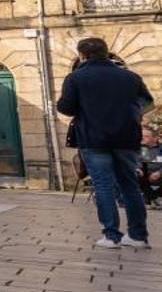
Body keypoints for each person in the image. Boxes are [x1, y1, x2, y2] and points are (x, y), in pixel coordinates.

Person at [57, 37, 153, 249]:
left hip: (94, 138)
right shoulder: (130, 77)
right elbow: (148, 103)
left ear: (82, 55)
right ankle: (138, 235)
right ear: (106, 52)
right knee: (130, 186)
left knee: (103, 186)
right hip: (126, 138)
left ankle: (111, 236)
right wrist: (132, 115)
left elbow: (65, 108)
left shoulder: (75, 78)